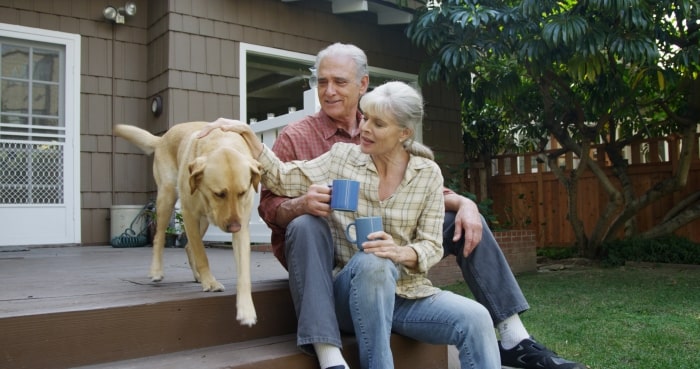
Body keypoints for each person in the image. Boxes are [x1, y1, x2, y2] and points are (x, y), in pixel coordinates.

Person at [203, 43, 586, 369]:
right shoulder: (318, 144)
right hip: (332, 260)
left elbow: (422, 193)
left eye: (339, 82)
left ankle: (513, 337)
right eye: (322, 82)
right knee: (317, 230)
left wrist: (464, 203)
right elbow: (276, 187)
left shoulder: (409, 154)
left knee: (465, 227)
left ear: (364, 86)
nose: (329, 91)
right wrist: (299, 200)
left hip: (398, 268)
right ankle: (328, 351)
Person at [204, 81, 501, 369]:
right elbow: (282, 177)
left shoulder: (427, 174)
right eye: (366, 117)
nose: (365, 128)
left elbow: (432, 246)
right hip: (350, 296)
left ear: (404, 133)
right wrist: (250, 139)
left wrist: (400, 252)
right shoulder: (343, 157)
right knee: (374, 262)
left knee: (476, 318)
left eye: (378, 124)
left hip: (407, 295)